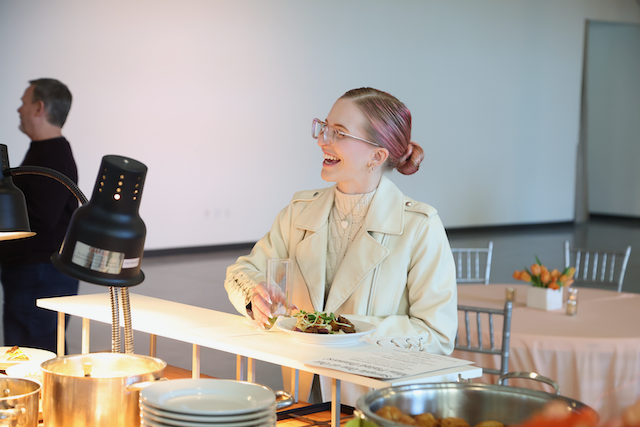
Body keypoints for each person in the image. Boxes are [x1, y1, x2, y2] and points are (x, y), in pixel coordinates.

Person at [224, 87, 457, 403]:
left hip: (376, 403)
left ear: (376, 155)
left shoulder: (420, 226)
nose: (323, 140)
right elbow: (244, 269)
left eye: (339, 133)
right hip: (305, 395)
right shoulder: (299, 210)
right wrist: (255, 295)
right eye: (325, 128)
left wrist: (344, 332)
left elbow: (437, 334)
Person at [0, 78, 79, 353]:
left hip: (39, 276)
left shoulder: (52, 158)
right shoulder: (44, 152)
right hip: (33, 273)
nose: (19, 109)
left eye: (24, 103)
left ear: (39, 108)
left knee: (33, 356)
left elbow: (38, 220)